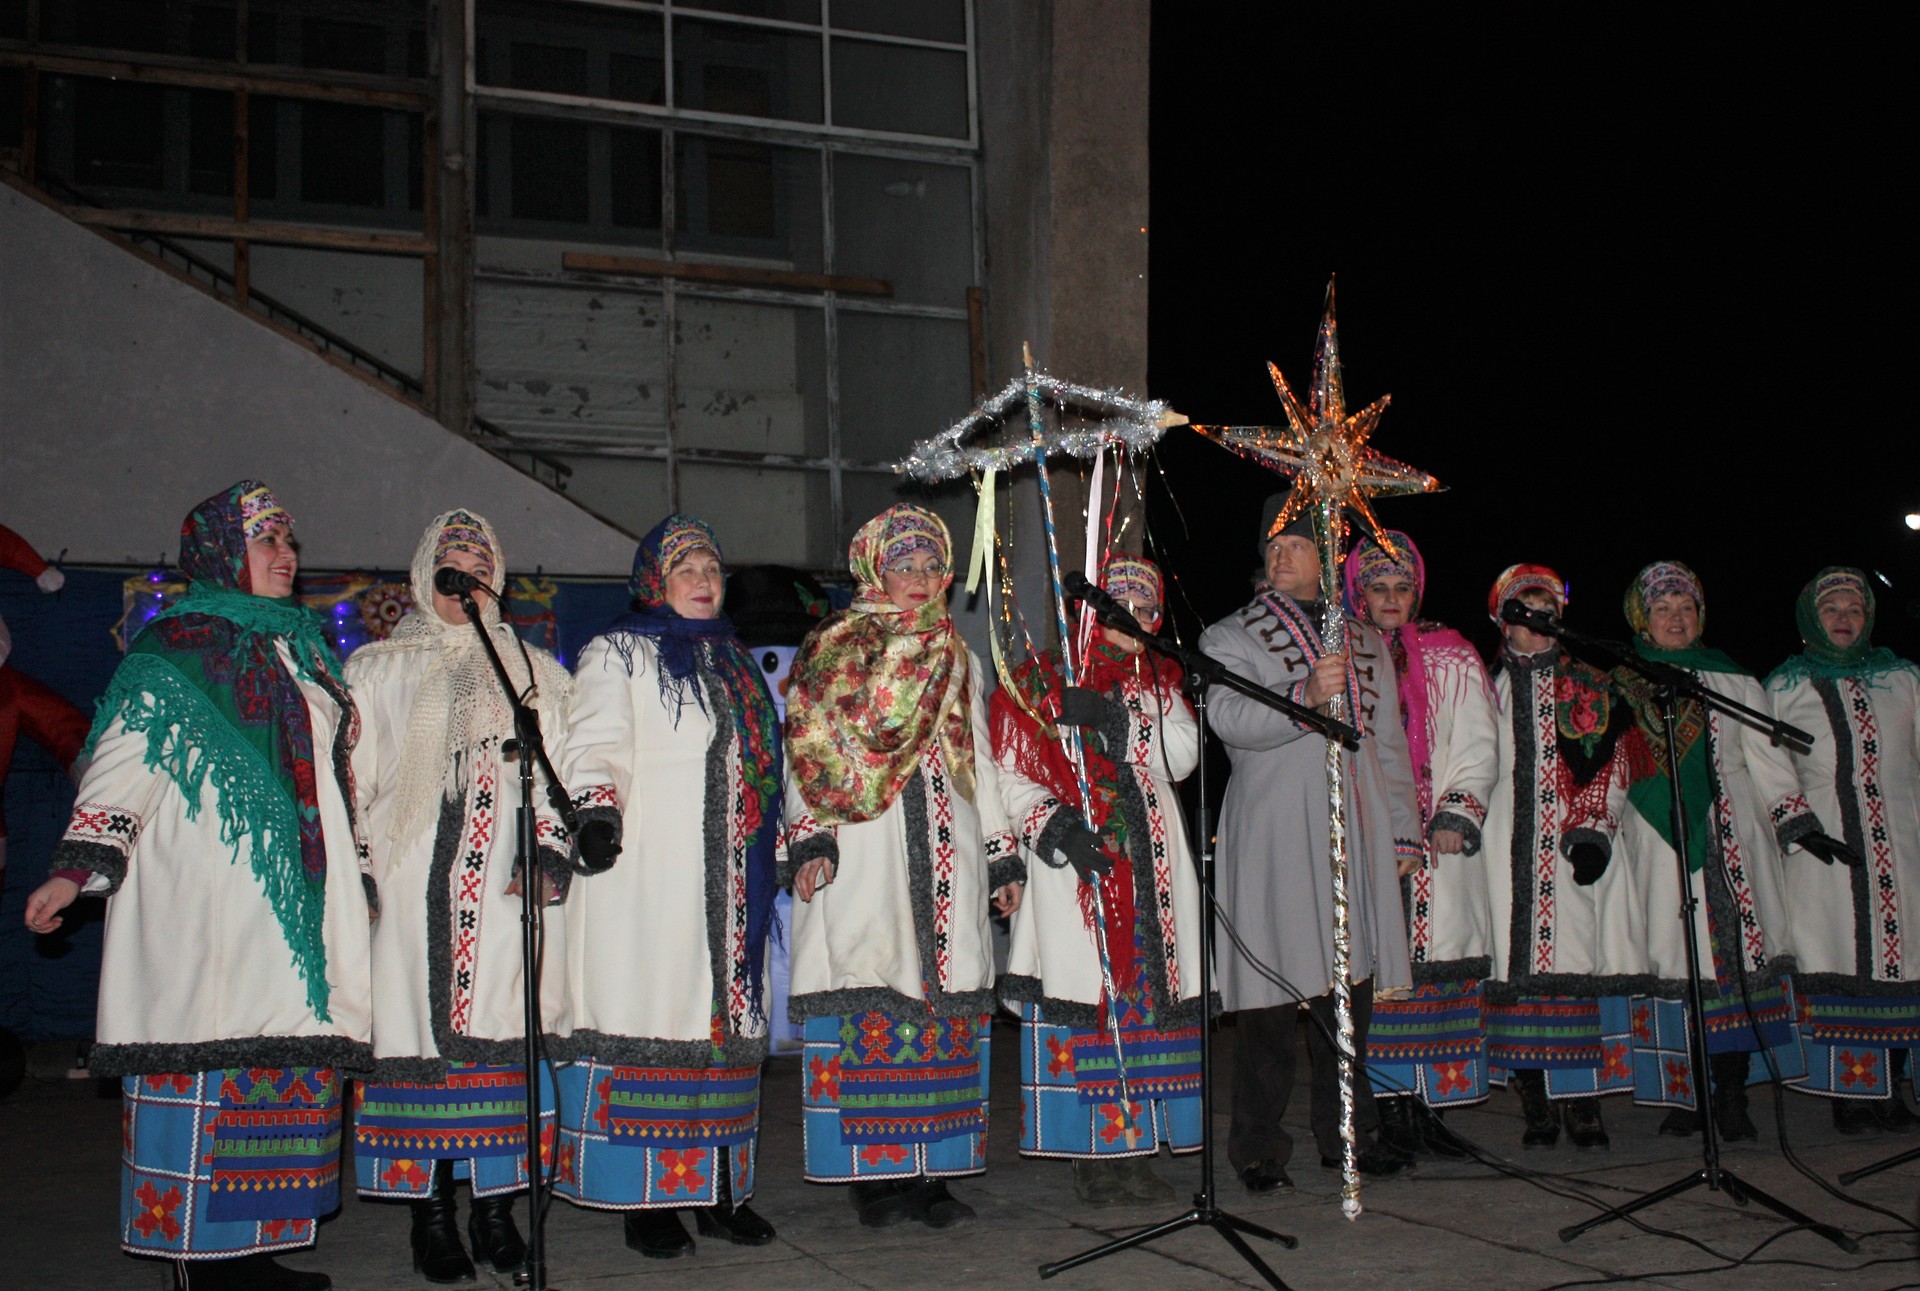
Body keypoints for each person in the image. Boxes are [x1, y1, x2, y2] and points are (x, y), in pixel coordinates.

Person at [23, 481, 373, 1291]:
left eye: (290, 542)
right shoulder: (175, 647)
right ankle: (197, 1258)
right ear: (220, 553)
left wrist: (359, 869)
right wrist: (77, 870)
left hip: (294, 917)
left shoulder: (305, 649)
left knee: (278, 1075)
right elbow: (122, 763)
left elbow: (333, 778)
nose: (286, 557)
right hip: (209, 906)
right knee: (210, 1071)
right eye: (266, 543)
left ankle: (255, 1247)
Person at [344, 510, 576, 1283]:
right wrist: (363, 875)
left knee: (500, 1042)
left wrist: (547, 852)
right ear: (426, 571)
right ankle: (432, 1216)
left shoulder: (533, 671)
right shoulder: (378, 669)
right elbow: (354, 784)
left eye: (481, 558)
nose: (467, 569)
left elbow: (556, 779)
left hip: (502, 887)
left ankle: (496, 1212)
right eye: (453, 557)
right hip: (408, 894)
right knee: (417, 1043)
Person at [782, 504, 1022, 1228]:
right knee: (870, 995)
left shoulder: (959, 653)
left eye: (929, 567)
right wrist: (810, 836)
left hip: (948, 838)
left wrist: (1001, 852)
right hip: (866, 843)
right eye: (904, 565)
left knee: (941, 1008)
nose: (919, 579)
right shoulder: (836, 644)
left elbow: (980, 757)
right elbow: (807, 745)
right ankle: (873, 1175)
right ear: (873, 568)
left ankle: (933, 1169)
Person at [554, 515, 780, 1258]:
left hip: (732, 887)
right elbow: (593, 741)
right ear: (654, 579)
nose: (703, 579)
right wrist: (594, 812)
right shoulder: (617, 650)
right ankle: (643, 1198)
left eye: (712, 567)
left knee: (723, 1024)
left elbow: (763, 771)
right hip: (650, 881)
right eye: (686, 567)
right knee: (655, 1020)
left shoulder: (738, 661)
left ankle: (719, 1189)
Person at [1198, 499, 1422, 1193]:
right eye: (1273, 545)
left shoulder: (1361, 638)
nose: (1281, 555)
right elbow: (1229, 719)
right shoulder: (1226, 635)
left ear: (1326, 555)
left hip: (1350, 827)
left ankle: (1349, 1134)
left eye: (1296, 543)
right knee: (1268, 990)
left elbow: (1387, 744)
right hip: (1270, 829)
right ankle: (1258, 1148)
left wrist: (1402, 828)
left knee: (1349, 993)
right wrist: (1303, 691)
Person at [992, 554, 1205, 1206]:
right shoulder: (1040, 681)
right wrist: (1052, 825)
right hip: (1075, 873)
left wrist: (1112, 717)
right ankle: (1091, 1151)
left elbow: (1181, 755)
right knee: (1087, 1006)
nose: (1130, 622)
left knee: (1142, 1013)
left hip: (1152, 879)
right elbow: (1005, 770)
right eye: (1118, 609)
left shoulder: (1160, 687)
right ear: (1089, 610)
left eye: (1144, 612)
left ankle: (1135, 1149)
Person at [1613, 561, 1836, 1139]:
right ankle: (1687, 1098)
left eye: (1685, 608)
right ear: (1643, 618)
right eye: (1662, 609)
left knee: (1734, 965)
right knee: (1675, 962)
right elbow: (1609, 767)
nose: (1675, 619)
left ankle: (1732, 1095)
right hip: (1656, 841)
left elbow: (1768, 762)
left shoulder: (1736, 682)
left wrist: (1796, 822)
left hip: (1732, 836)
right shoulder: (1623, 681)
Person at [1480, 565, 1649, 1150]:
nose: (1539, 626)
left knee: (1575, 968)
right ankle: (1536, 1101)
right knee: (1517, 977)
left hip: (1576, 848)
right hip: (1505, 851)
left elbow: (1616, 761)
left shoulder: (1593, 685)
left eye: (1548, 612)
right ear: (1504, 620)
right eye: (1526, 614)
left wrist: (1593, 831)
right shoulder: (1486, 685)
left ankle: (1583, 1102)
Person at [1342, 531, 1498, 1158]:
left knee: (1433, 975)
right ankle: (1383, 1114)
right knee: (1373, 977)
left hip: (1436, 841)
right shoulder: (1340, 655)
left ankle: (1427, 1108)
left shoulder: (1452, 654)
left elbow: (1478, 740)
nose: (1390, 599)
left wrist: (1457, 813)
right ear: (1357, 592)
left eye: (1402, 587)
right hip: (1367, 835)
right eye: (1377, 587)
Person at [1764, 568, 1920, 1133]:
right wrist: (1796, 822)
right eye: (1832, 609)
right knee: (1836, 960)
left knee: (1899, 963)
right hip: (1822, 846)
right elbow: (1769, 765)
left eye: (1853, 608)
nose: (1844, 619)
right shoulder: (1784, 686)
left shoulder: (1904, 679)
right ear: (1812, 619)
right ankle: (1848, 1095)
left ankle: (1890, 1091)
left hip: (1900, 842)